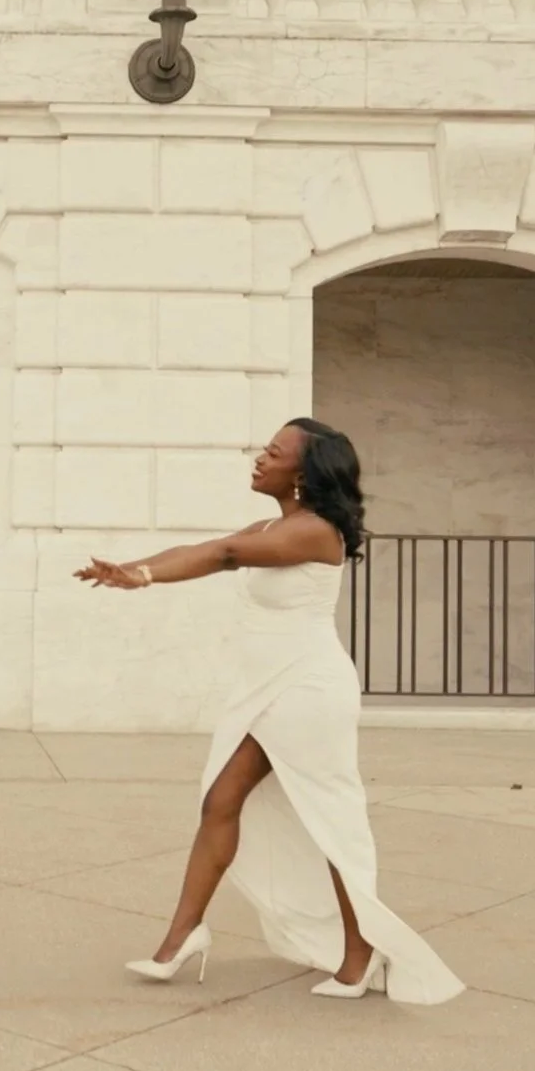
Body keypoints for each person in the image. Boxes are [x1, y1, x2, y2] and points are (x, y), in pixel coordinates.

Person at [75, 417, 464, 1005]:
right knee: (220, 801)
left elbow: (225, 555)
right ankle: (182, 937)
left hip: (308, 692)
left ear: (304, 472)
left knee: (330, 823)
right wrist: (134, 570)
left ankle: (360, 955)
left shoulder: (317, 532)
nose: (259, 458)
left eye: (274, 452)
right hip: (266, 689)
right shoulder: (272, 527)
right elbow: (203, 549)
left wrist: (147, 576)